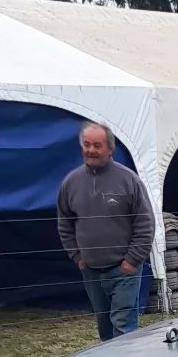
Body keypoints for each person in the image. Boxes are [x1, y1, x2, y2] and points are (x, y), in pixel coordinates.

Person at [57, 121, 154, 341]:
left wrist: (132, 260)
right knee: (104, 327)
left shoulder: (129, 181)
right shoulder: (71, 183)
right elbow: (65, 223)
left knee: (123, 326)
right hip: (90, 270)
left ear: (110, 149)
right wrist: (77, 257)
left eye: (97, 145)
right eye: (87, 144)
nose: (91, 150)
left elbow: (145, 223)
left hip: (124, 270)